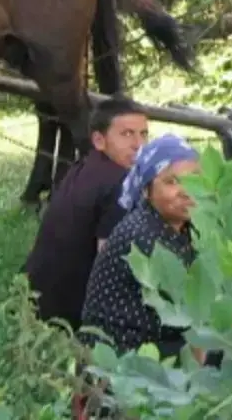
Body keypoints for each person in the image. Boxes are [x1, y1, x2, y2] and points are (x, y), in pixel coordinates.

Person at [23, 97, 149, 331]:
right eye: (127, 134)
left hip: (34, 297)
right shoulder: (121, 184)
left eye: (143, 134)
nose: (138, 144)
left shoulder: (85, 166)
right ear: (99, 141)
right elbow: (110, 260)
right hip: (69, 313)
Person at [78, 134, 205, 363]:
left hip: (157, 343)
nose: (187, 191)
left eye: (194, 179)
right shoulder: (144, 235)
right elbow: (200, 310)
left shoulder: (184, 227)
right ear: (146, 190)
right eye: (171, 182)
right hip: (123, 363)